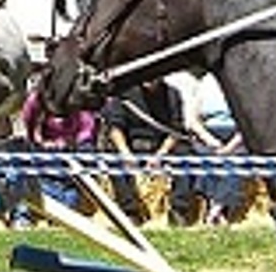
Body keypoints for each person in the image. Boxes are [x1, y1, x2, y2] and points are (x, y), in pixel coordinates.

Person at [102, 75, 198, 226]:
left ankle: (179, 209)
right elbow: (115, 127)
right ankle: (130, 211)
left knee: (187, 155)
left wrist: (161, 154)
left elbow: (176, 130)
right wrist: (125, 152)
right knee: (112, 157)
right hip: (131, 145)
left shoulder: (172, 94)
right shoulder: (124, 93)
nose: (150, 80)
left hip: (161, 146)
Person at [20, 73, 99, 213]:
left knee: (85, 152)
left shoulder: (76, 98)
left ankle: (71, 196)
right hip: (46, 149)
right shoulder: (35, 100)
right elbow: (29, 126)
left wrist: (66, 142)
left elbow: (88, 127)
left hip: (72, 147)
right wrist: (42, 141)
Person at [183, 72, 247, 225]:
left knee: (235, 163)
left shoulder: (242, 84)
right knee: (206, 160)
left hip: (236, 136)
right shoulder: (203, 84)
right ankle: (216, 207)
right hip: (208, 134)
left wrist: (231, 145)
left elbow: (248, 122)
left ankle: (216, 208)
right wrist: (210, 140)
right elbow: (192, 120)